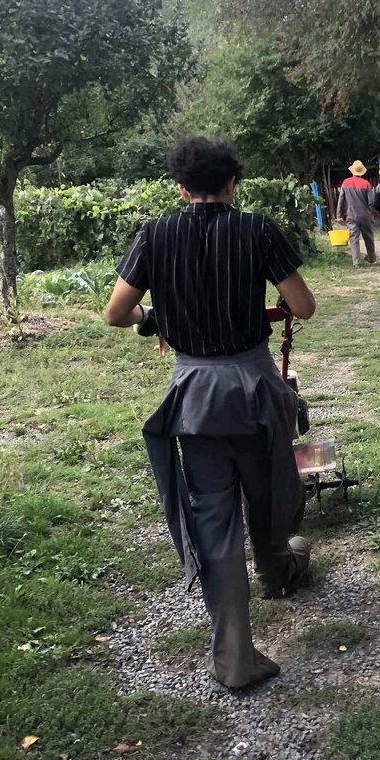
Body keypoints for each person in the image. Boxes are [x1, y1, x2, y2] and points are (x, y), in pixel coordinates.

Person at [104, 137, 316, 690]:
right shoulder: (257, 229)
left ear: (180, 187)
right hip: (252, 387)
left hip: (193, 395)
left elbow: (115, 313)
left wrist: (153, 315)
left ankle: (234, 660)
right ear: (232, 184)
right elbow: (303, 305)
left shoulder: (155, 234)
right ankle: (277, 568)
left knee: (214, 521)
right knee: (272, 489)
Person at [335, 160, 376, 267]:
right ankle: (371, 257)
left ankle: (356, 262)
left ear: (353, 171)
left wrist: (339, 215)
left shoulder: (345, 183)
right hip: (365, 215)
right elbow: (371, 201)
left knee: (354, 237)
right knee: (368, 236)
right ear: (362, 172)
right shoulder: (366, 184)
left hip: (351, 215)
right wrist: (370, 211)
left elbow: (341, 200)